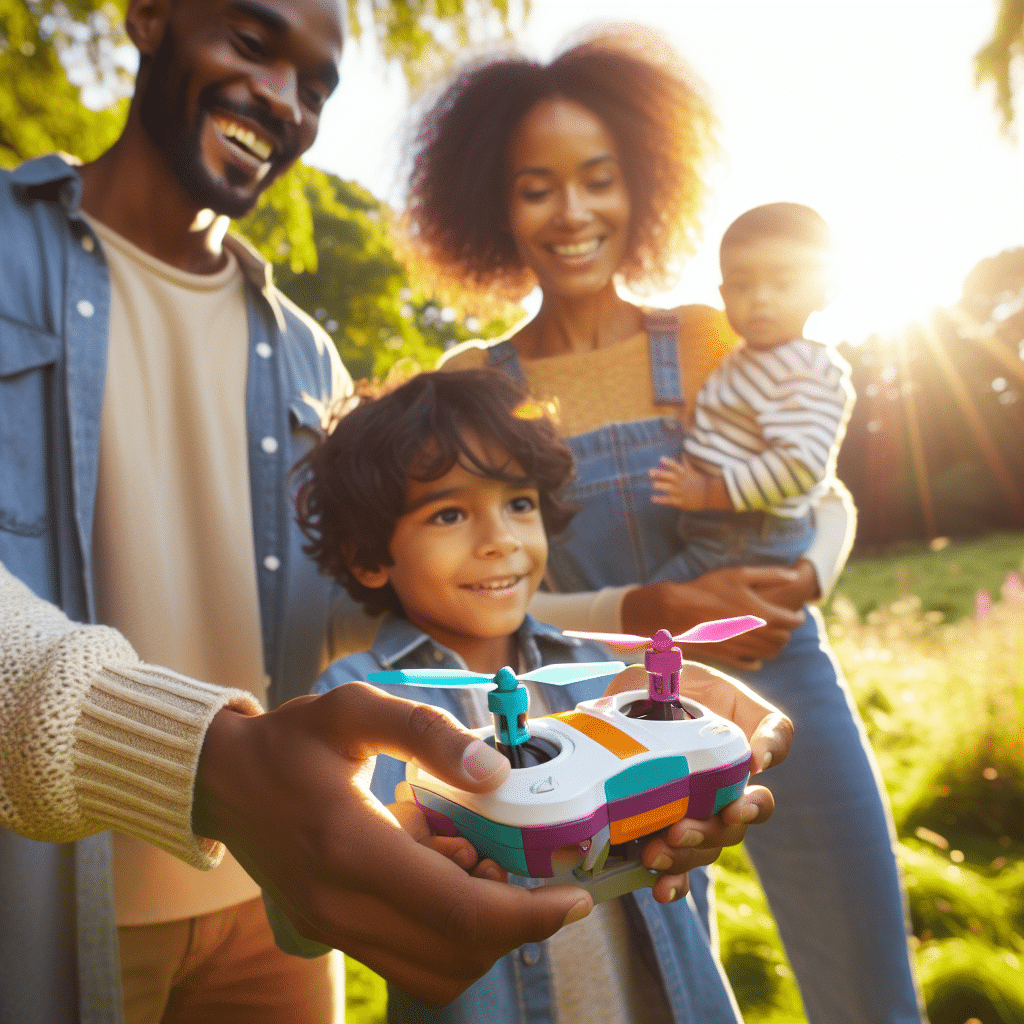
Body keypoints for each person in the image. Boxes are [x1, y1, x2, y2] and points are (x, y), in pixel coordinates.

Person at [0, 1, 599, 1020]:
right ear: (150, 19)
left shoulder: (306, 352)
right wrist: (207, 764)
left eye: (315, 86)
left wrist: (644, 654)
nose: (281, 98)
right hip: (41, 907)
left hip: (276, 901)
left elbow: (385, 598)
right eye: (250, 42)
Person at [414, 27, 926, 1024]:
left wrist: (806, 579)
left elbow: (820, 493)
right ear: (493, 206)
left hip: (775, 668)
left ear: (641, 187)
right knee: (668, 982)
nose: (572, 212)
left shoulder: (708, 335)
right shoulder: (476, 383)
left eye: (598, 179)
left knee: (866, 977)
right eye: (535, 187)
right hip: (601, 715)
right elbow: (479, 593)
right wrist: (644, 604)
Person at [291, 367, 793, 1023]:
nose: (500, 538)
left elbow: (679, 838)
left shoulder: (606, 675)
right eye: (449, 513)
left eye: (519, 504)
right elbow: (299, 917)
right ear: (368, 557)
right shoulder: (351, 709)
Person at [648, 202, 855, 582]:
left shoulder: (802, 368)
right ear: (724, 294)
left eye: (783, 284)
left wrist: (711, 492)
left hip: (750, 531)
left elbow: (802, 464)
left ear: (824, 291)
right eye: (742, 285)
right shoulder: (749, 358)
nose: (760, 298)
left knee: (656, 614)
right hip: (731, 528)